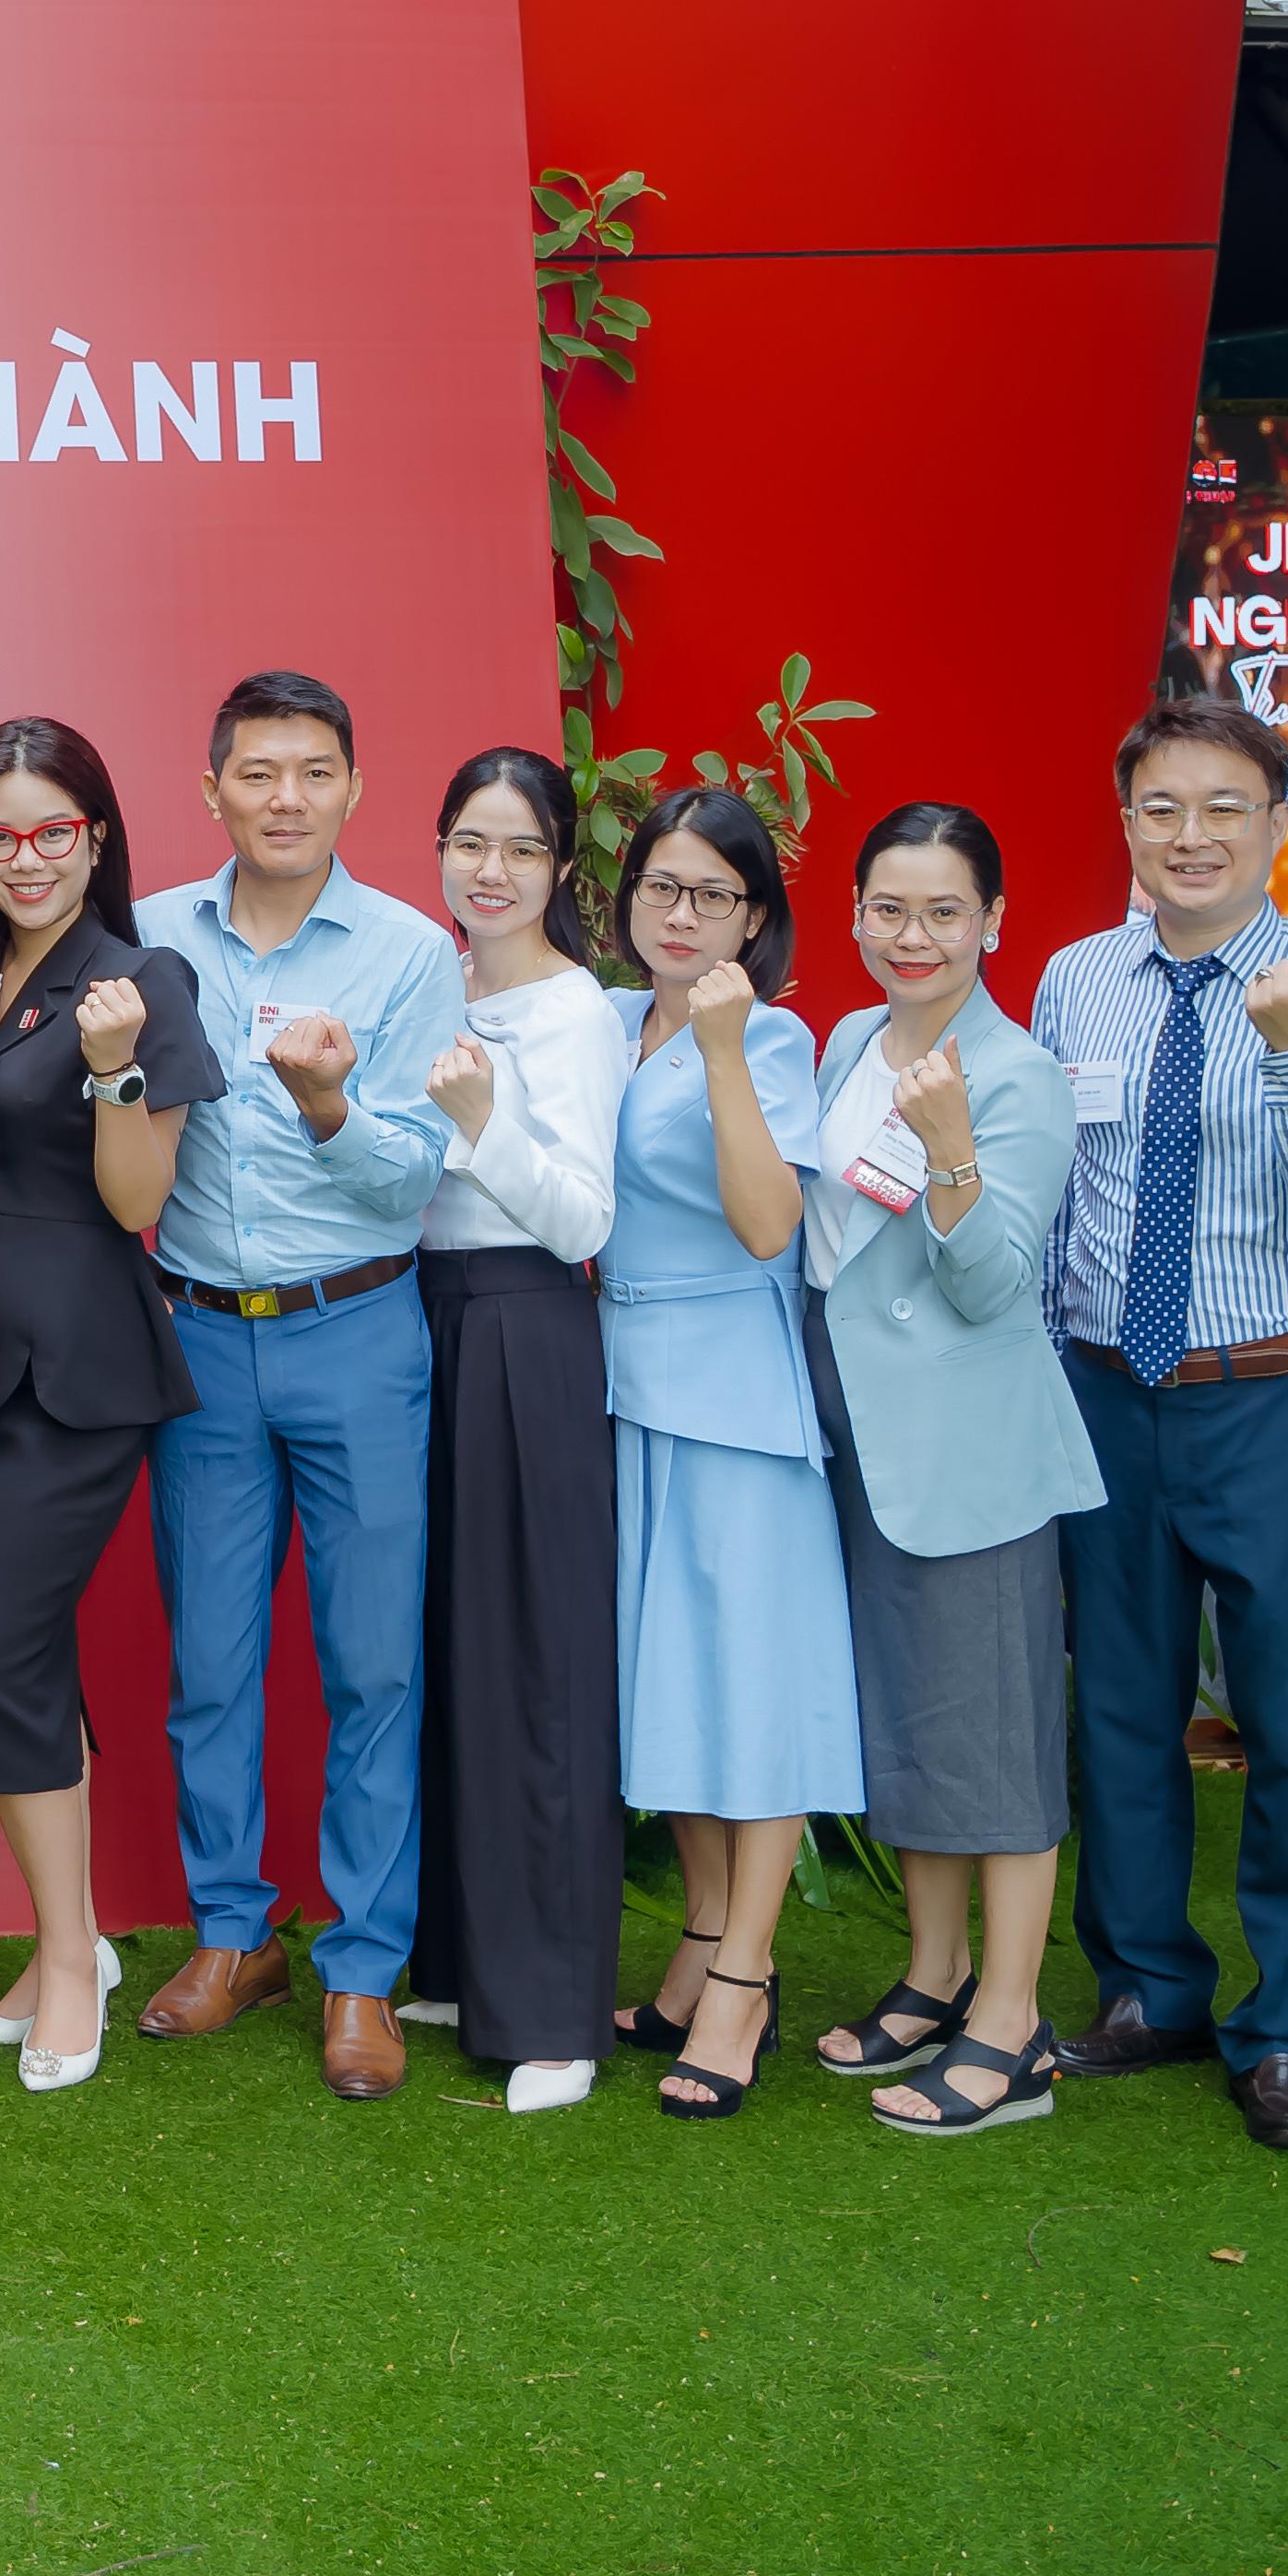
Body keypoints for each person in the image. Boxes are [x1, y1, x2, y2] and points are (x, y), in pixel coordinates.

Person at [1031, 693, 1288, 2158]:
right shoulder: (1077, 980)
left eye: (1225, 808)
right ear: (1127, 823)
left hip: (1275, 1393)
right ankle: (1148, 1988)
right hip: (1109, 1390)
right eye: (1163, 808)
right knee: (1121, 1707)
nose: (1192, 836)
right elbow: (1058, 1188)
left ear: (1278, 822)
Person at [129, 671, 466, 2099]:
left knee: (374, 1662)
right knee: (210, 1659)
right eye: (257, 772)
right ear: (211, 789)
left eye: (313, 772)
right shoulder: (148, 935)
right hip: (200, 1334)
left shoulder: (409, 952)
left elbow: (415, 1173)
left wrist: (328, 1105)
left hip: (359, 1327)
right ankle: (232, 1934)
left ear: (353, 791)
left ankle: (363, 1966)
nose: (285, 798)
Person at [0, 716, 214, 2097]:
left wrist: (112, 1072)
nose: (26, 859)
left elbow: (139, 1200)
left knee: (6, 1656)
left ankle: (72, 1960)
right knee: (14, 1658)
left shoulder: (142, 979)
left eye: (53, 832)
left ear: (97, 838)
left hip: (75, 1368)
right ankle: (65, 1949)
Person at [796, 802, 1100, 2137]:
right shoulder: (848, 1042)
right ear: (857, 914)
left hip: (966, 1447)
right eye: (889, 908)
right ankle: (934, 1979)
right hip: (852, 1433)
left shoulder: (1019, 1074)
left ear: (993, 923)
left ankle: (1013, 2026)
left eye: (943, 911)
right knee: (910, 1719)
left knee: (999, 1737)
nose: (912, 935)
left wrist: (955, 1148)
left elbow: (992, 1284)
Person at [598, 786, 857, 2125]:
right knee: (671, 1682)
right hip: (622, 1387)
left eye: (714, 894)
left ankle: (746, 1979)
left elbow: (769, 1226)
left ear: (755, 918)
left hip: (733, 1393)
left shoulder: (772, 1037)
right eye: (663, 886)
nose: (683, 914)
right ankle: (704, 1937)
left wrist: (720, 1055)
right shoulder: (602, 1018)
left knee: (753, 1687)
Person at [406, 745, 632, 2116]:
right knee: (444, 1642)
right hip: (417, 1317)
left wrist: (484, 1124)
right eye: (469, 843)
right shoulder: (429, 980)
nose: (491, 872)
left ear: (560, 870)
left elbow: (585, 1218)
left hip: (524, 1326)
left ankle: (553, 2007)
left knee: (537, 1653)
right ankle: (456, 1958)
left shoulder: (576, 1011)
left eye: (522, 848)